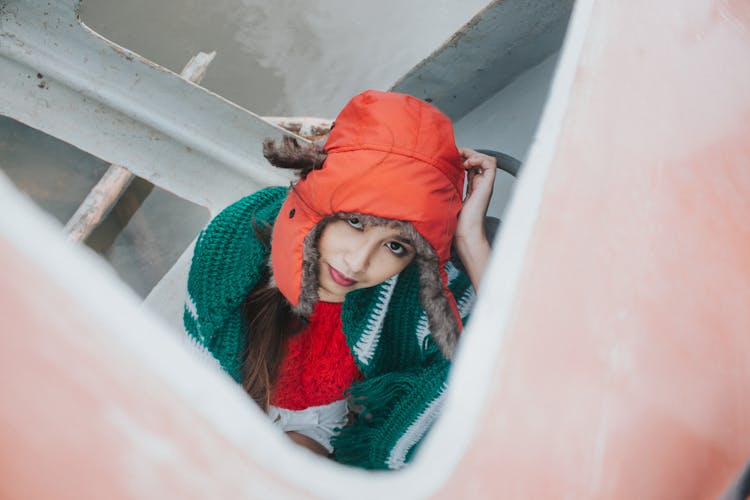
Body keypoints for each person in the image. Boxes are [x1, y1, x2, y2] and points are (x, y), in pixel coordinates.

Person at [183, 90, 496, 469]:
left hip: (327, 424)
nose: (357, 263)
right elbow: (198, 372)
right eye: (355, 222)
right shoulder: (235, 243)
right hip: (232, 395)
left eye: (396, 246)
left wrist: (469, 241)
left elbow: (510, 368)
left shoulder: (420, 291)